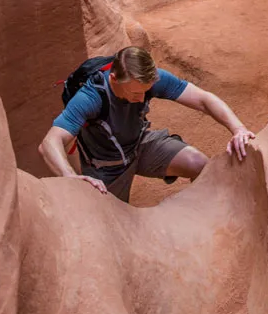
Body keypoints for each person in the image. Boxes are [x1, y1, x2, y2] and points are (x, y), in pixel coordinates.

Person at [38, 45, 255, 202]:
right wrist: (70, 176)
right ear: (114, 79)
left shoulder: (150, 80)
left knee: (199, 164)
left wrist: (238, 129)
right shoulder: (91, 97)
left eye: (146, 92)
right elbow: (50, 142)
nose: (142, 99)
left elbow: (203, 99)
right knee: (111, 228)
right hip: (105, 166)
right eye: (135, 93)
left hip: (140, 145)